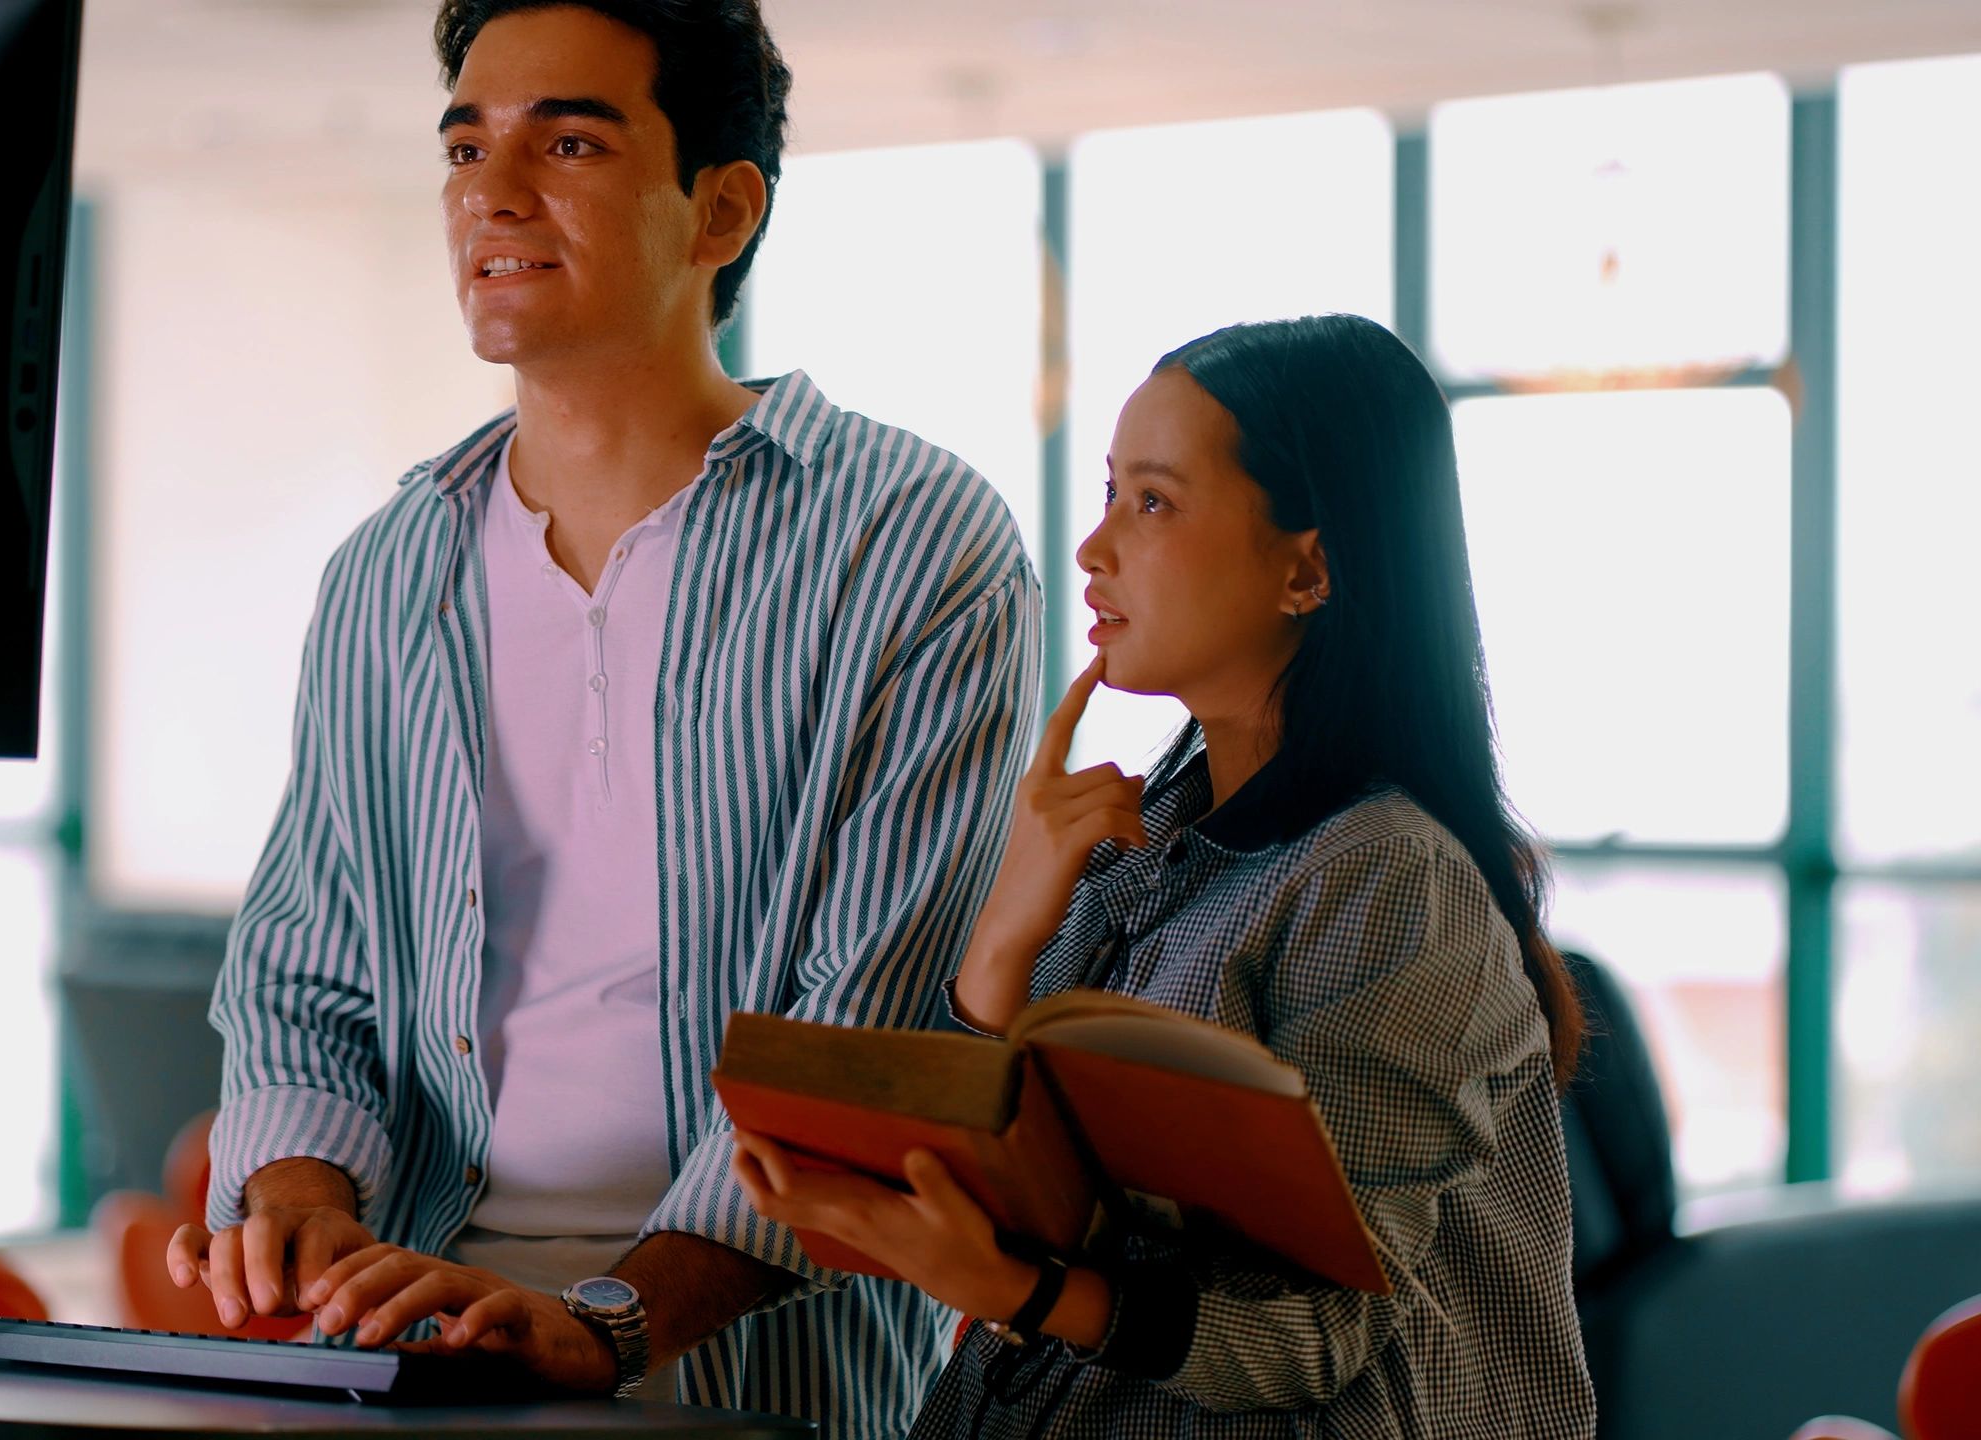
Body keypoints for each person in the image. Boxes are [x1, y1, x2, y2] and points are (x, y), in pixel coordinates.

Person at [166, 2, 1040, 1434]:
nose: (491, 194)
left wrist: (607, 1325)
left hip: (760, 1361)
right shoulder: (391, 569)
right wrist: (304, 1202)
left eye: (567, 140)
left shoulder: (912, 539)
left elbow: (863, 1033)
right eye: (466, 146)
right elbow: (300, 979)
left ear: (720, 207)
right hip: (413, 1330)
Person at [731, 313, 1599, 1437]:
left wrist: (1018, 1291)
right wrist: (1004, 931)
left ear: (1309, 566)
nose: (1093, 550)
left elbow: (1321, 1330)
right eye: (1106, 494)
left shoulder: (1384, 878)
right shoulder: (1145, 836)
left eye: (1152, 502)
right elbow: (1000, 1172)